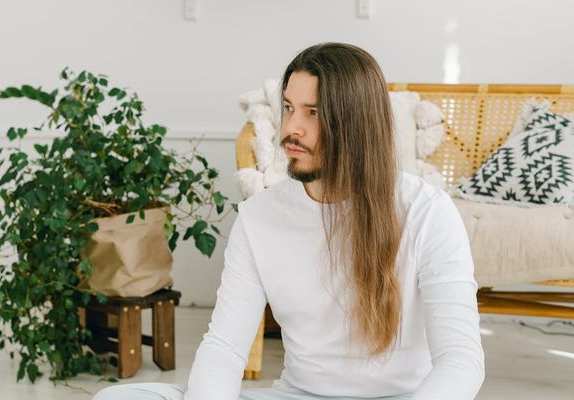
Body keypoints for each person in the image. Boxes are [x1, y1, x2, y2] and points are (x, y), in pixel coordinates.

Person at [93, 42, 485, 400]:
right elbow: (225, 347)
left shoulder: (427, 211)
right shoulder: (259, 216)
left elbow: (460, 359)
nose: (290, 128)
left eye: (312, 113)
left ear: (356, 125)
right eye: (288, 107)